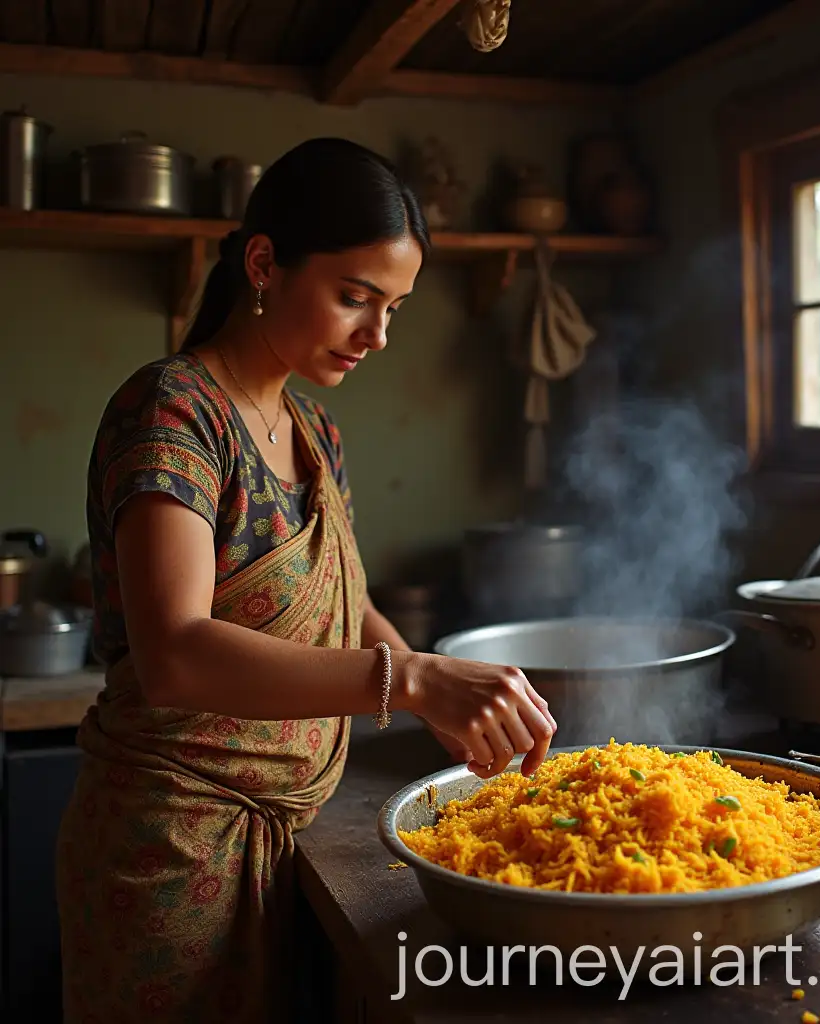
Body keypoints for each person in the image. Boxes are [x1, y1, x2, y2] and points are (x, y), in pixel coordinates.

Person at [55, 137, 556, 1023]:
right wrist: (420, 680)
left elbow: (343, 598)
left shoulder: (314, 431)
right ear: (263, 263)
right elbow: (175, 653)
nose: (378, 335)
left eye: (393, 307)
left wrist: (439, 700)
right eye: (355, 298)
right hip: (171, 846)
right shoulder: (173, 410)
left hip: (295, 826)